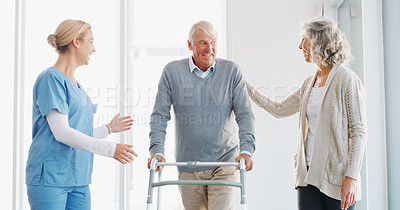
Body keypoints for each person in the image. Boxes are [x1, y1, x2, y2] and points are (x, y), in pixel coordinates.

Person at [246, 17, 367, 210]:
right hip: (308, 175)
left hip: (338, 178)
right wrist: (244, 87)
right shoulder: (309, 84)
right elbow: (278, 109)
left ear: (320, 42)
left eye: (305, 39)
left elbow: (359, 132)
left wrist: (351, 177)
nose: (300, 46)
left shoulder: (347, 80)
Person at [25, 19, 138, 210]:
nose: (94, 49)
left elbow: (78, 132)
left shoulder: (78, 86)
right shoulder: (50, 79)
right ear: (76, 42)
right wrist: (110, 149)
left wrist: (108, 128)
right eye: (91, 42)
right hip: (51, 178)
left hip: (78, 178)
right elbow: (62, 133)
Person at [147, 20, 256, 210]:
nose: (209, 48)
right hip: (188, 164)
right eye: (203, 42)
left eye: (213, 42)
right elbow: (159, 115)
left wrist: (246, 150)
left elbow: (245, 115)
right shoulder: (172, 72)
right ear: (190, 45)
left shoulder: (231, 71)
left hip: (224, 162)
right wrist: (157, 150)